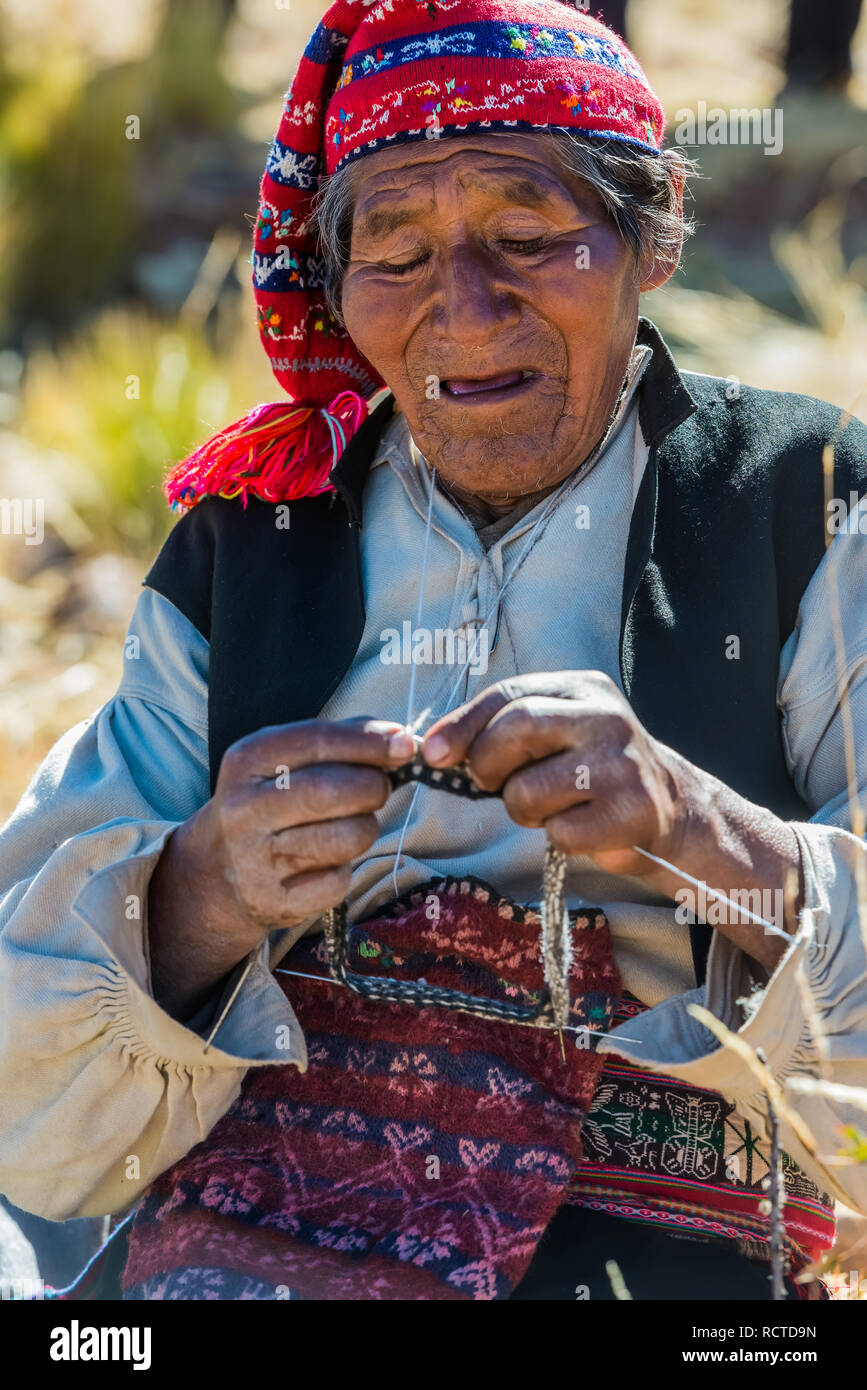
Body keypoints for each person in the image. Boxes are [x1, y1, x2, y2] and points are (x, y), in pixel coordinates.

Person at [1, 0, 866, 1302]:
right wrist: (206, 886)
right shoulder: (253, 539)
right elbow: (24, 1053)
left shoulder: (802, 501)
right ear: (339, 288)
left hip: (648, 1217)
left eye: (528, 236)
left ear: (652, 240)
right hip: (274, 1200)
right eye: (394, 252)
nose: (464, 307)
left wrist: (698, 833)